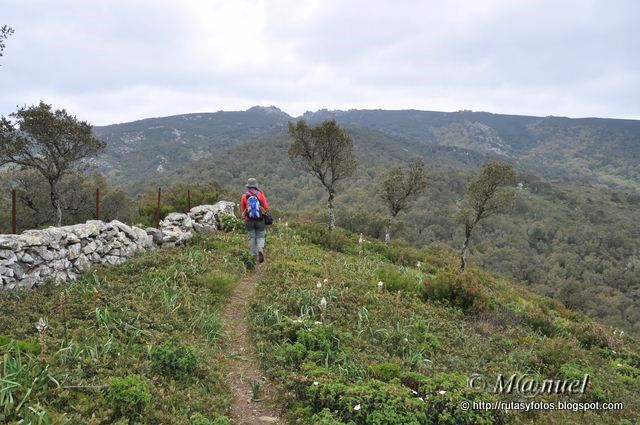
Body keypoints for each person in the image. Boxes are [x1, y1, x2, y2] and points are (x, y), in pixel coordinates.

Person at [240, 178, 269, 263]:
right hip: (260, 219)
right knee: (260, 235)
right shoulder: (260, 194)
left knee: (252, 237)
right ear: (255, 186)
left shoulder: (244, 196)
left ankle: (253, 256)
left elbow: (242, 209)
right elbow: (266, 207)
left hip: (249, 220)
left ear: (248, 186)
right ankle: (260, 249)